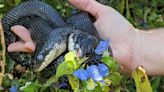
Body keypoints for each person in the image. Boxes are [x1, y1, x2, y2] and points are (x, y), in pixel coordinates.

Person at [7, 0, 164, 75]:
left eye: (41, 57)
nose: (37, 65)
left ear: (51, 46)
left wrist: (133, 45)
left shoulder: (75, 34)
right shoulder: (63, 34)